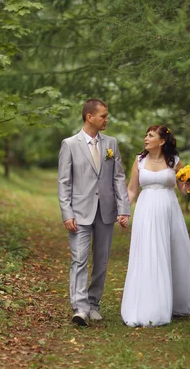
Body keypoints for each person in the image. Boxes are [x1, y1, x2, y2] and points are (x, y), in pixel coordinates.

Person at [121, 125, 190, 327]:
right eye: (146, 134)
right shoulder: (139, 160)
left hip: (169, 211)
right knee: (149, 253)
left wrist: (188, 188)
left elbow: (183, 189)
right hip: (146, 210)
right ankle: (149, 305)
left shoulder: (174, 161)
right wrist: (124, 211)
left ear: (162, 141)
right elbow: (132, 190)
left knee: (175, 253)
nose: (146, 138)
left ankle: (179, 303)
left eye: (150, 135)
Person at [58, 99, 130, 327]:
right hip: (79, 212)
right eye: (103, 116)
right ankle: (79, 308)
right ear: (90, 117)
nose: (106, 119)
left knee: (101, 260)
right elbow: (64, 182)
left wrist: (124, 209)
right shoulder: (69, 144)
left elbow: (118, 177)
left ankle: (94, 304)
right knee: (79, 259)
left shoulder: (111, 144)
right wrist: (66, 213)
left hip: (106, 212)